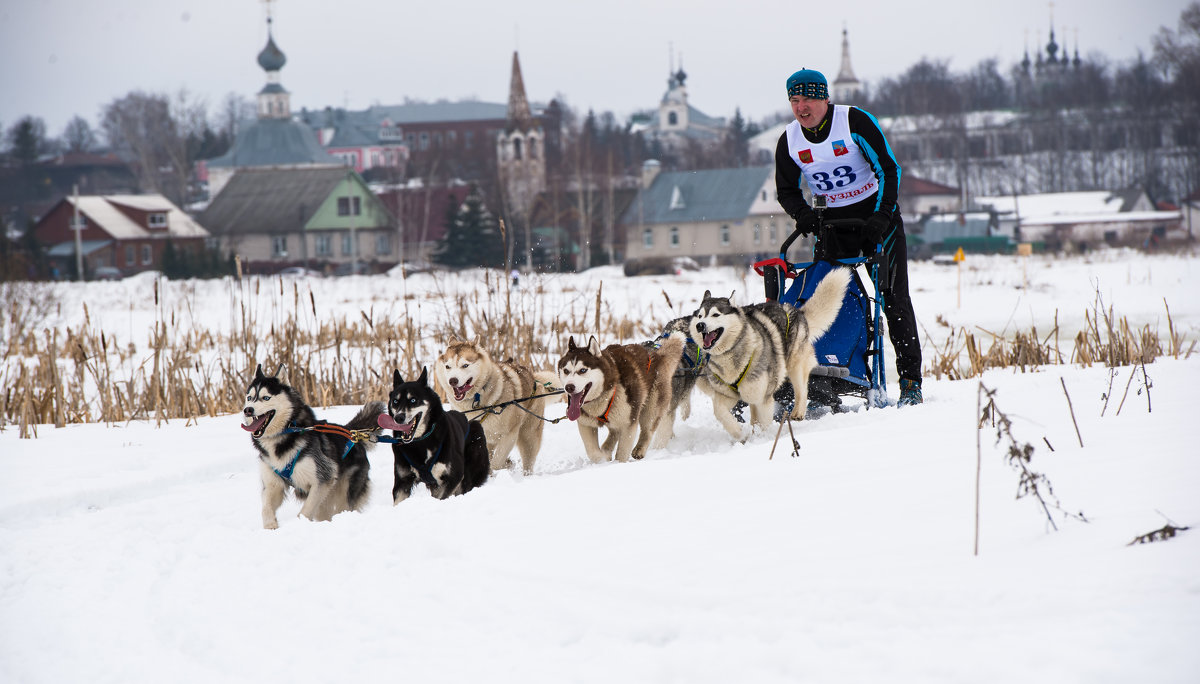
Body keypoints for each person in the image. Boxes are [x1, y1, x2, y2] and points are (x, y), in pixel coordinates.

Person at [773, 68, 923, 407]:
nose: (802, 108)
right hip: (832, 226)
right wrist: (805, 216)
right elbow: (786, 190)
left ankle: (911, 383)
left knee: (893, 300)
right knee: (825, 299)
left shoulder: (853, 121)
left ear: (825, 97)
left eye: (809, 99)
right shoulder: (790, 140)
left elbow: (889, 169)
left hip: (875, 218)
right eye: (795, 100)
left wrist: (882, 216)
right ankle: (827, 371)